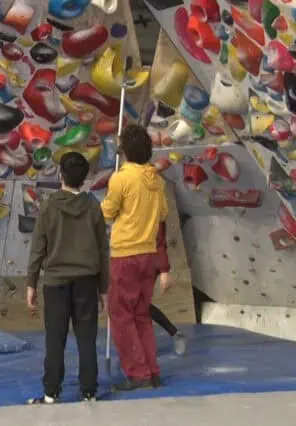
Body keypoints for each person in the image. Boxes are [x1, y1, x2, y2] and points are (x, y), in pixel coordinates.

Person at [26, 152, 109, 404]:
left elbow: (38, 247)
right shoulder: (93, 206)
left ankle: (51, 392)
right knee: (87, 338)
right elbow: (103, 250)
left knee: (55, 338)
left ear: (61, 175)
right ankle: (88, 391)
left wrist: (31, 283)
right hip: (87, 281)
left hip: (55, 283)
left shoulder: (49, 206)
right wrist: (104, 288)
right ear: (84, 179)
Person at [100, 124, 168, 391]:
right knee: (141, 314)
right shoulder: (157, 180)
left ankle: (138, 373)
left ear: (125, 150)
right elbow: (162, 214)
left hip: (126, 254)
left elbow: (107, 212)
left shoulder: (121, 178)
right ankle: (152, 371)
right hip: (148, 255)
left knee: (120, 315)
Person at [151, 222, 188, 356]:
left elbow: (160, 241)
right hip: (133, 260)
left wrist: (163, 270)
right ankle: (174, 333)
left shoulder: (155, 206)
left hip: (149, 261)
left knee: (140, 304)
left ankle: (174, 333)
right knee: (138, 304)